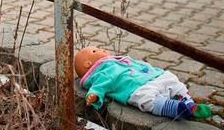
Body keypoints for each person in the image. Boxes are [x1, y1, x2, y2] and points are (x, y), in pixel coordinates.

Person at [75, 46, 211, 119]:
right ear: (88, 63)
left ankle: (189, 102)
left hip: (154, 77)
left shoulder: (117, 60)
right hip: (136, 88)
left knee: (172, 80)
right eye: (95, 51)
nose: (101, 49)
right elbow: (98, 86)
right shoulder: (103, 72)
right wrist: (93, 95)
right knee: (146, 99)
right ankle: (174, 108)